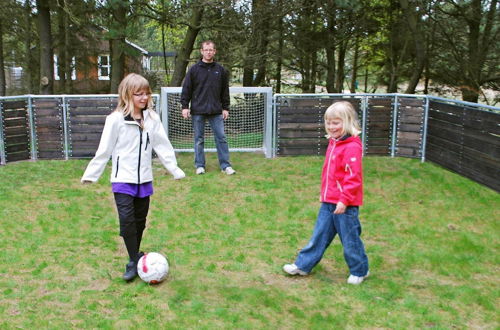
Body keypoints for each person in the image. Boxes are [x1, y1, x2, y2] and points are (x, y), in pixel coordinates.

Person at [81, 73, 185, 281]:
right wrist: (91, 175)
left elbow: (162, 146)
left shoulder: (152, 119)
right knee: (127, 221)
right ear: (127, 95)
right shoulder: (115, 120)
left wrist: (175, 170)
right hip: (122, 180)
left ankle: (135, 255)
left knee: (140, 221)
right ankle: (132, 261)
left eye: (146, 93)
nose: (144, 98)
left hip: (144, 180)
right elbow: (105, 149)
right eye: (139, 94)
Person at [283, 101, 369, 285]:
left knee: (350, 239)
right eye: (328, 122)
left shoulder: (352, 146)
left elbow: (353, 177)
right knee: (319, 235)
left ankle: (360, 270)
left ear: (347, 123)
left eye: (336, 123)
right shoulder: (334, 142)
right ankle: (303, 265)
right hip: (329, 201)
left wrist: (344, 200)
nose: (331, 126)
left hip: (345, 204)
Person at [180, 40, 236, 175]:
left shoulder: (220, 70)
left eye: (211, 50)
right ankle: (200, 165)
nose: (208, 52)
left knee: (221, 138)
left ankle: (225, 166)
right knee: (199, 139)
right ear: (201, 51)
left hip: (216, 111)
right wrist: (185, 106)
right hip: (198, 110)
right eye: (206, 50)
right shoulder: (194, 70)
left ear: (214, 51)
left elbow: (225, 91)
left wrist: (225, 108)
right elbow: (186, 89)